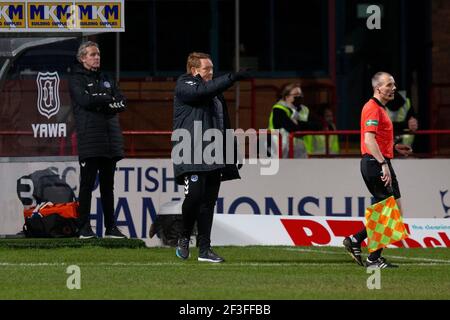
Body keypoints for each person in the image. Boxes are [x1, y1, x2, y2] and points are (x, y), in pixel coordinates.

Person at [172, 52, 249, 262]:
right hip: (191, 151)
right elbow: (199, 93)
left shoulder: (214, 92)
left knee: (208, 203)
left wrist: (232, 151)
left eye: (213, 69)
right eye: (207, 69)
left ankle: (204, 250)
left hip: (214, 153)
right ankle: (184, 236)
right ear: (195, 70)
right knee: (194, 197)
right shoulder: (184, 83)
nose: (211, 73)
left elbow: (223, 124)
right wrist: (231, 78)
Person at [343, 72, 412, 268]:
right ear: (378, 88)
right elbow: (368, 140)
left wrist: (394, 148)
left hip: (380, 160)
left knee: (394, 211)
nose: (393, 88)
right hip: (375, 163)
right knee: (387, 211)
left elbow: (378, 139)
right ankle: (372, 257)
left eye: (394, 84)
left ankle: (357, 241)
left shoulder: (380, 109)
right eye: (389, 84)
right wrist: (383, 164)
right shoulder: (372, 108)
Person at [69, 41, 127, 239]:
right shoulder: (76, 79)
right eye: (93, 54)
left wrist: (100, 99)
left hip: (110, 140)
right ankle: (83, 227)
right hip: (90, 140)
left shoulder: (106, 78)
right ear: (82, 58)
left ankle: (111, 227)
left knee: (107, 187)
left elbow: (122, 102)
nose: (97, 57)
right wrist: (107, 99)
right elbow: (85, 101)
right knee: (86, 186)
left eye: (98, 54)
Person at [267, 83, 320, 158]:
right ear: (287, 97)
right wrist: (307, 126)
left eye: (301, 94)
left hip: (301, 152)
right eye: (296, 94)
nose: (299, 96)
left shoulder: (305, 109)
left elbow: (318, 126)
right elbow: (292, 128)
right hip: (279, 152)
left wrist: (298, 123)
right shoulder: (279, 109)